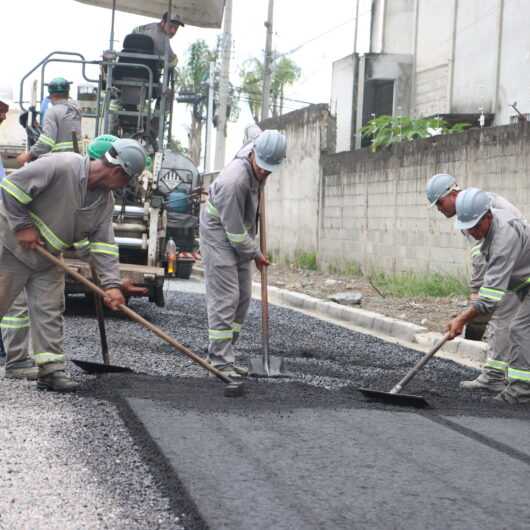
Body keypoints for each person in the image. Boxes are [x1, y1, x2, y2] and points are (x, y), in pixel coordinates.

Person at [0, 138, 146, 392]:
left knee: (50, 310)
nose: (125, 186)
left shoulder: (104, 202)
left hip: (48, 257)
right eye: (127, 179)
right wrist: (22, 225)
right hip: (11, 247)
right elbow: (11, 188)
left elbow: (103, 246)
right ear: (118, 171)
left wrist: (111, 285)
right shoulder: (62, 166)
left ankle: (51, 370)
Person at [200, 129, 287, 377]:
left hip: (239, 233)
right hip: (220, 233)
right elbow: (235, 233)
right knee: (226, 297)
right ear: (254, 154)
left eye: (268, 168)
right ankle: (218, 362)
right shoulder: (233, 181)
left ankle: (227, 353)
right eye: (261, 167)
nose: (263, 171)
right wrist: (256, 253)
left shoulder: (259, 146)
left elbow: (252, 130)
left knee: (243, 296)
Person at [426, 173, 523, 392]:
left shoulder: (483, 205)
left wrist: (480, 296)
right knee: (504, 321)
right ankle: (496, 376)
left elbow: (503, 244)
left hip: (514, 266)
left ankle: (505, 382)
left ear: (452, 193)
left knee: (509, 322)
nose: (439, 209)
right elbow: (479, 253)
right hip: (506, 270)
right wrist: (477, 291)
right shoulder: (466, 217)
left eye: (439, 203)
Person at [447, 188, 530, 404]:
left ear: (488, 216)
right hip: (522, 282)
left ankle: (520, 393)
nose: (472, 232)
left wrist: (461, 319)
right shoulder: (487, 229)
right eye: (468, 228)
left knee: (519, 329)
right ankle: (503, 381)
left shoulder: (504, 237)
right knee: (516, 327)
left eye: (475, 227)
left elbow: (489, 299)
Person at [16, 77, 81, 166]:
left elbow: (46, 143)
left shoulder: (52, 111)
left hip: (61, 162)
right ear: (68, 93)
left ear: (52, 95)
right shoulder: (76, 109)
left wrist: (28, 155)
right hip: (77, 160)